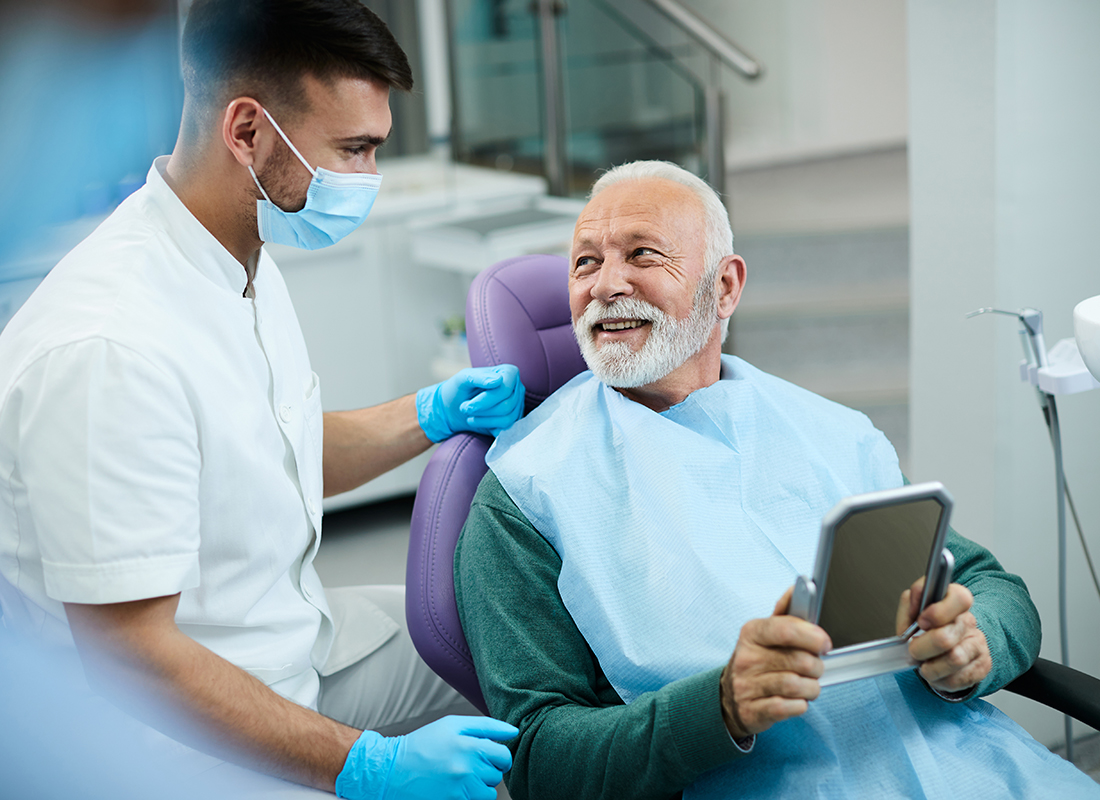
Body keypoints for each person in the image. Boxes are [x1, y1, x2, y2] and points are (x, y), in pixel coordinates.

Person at [0, 2, 523, 798]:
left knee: (513, 639)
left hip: (295, 648)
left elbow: (275, 452)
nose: (367, 181)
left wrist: (431, 413)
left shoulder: (237, 253)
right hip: (185, 747)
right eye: (353, 150)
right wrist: (363, 766)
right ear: (247, 132)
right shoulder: (108, 347)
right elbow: (132, 658)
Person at [454, 160, 1100, 799]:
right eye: (585, 262)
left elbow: (990, 585)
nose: (604, 284)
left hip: (978, 770)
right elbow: (537, 758)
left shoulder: (828, 430)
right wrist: (720, 707)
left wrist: (977, 643)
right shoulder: (525, 492)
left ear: (725, 286)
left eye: (643, 254)